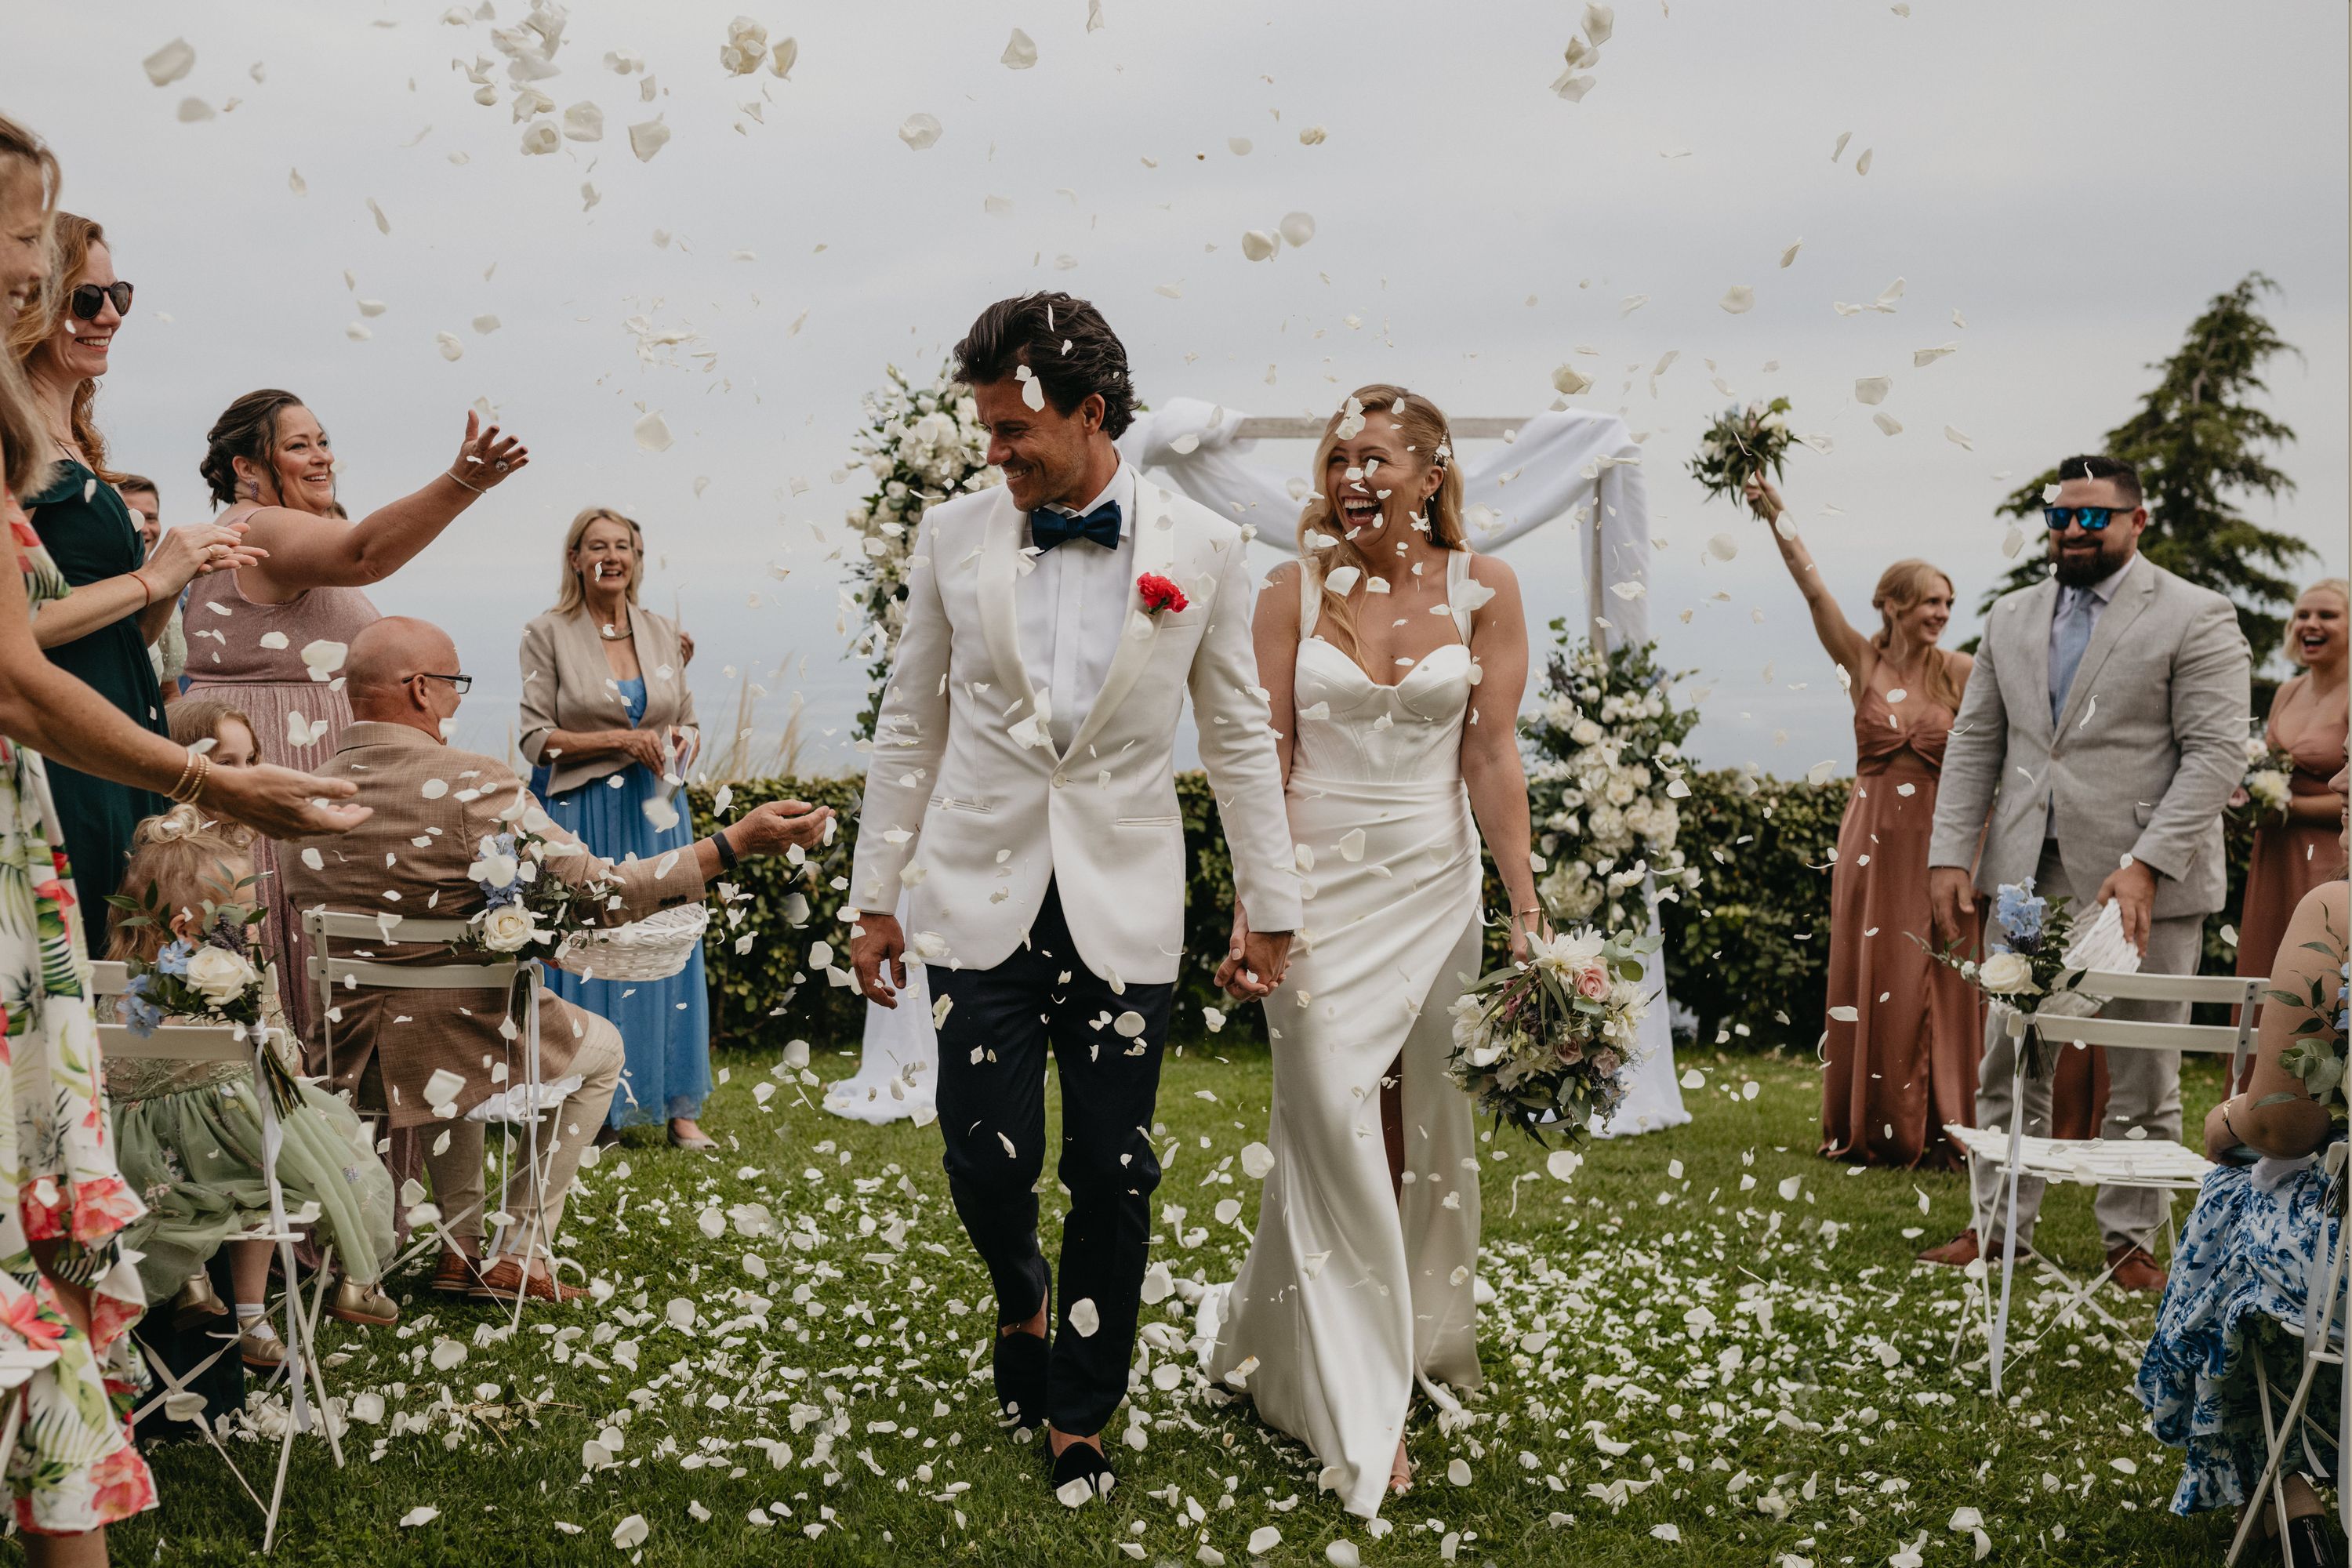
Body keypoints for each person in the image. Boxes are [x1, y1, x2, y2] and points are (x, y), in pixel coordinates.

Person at [847, 292, 1301, 1504]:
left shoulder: (1202, 549)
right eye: (988, 431)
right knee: (985, 1155)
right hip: (974, 894)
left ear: (1090, 413)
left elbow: (1242, 738)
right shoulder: (952, 537)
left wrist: (1271, 903)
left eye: (1012, 432)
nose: (993, 453)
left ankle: (1082, 1407)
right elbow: (910, 724)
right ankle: (1022, 1294)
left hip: (1125, 904)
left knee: (1113, 1166)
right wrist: (873, 894)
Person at [0, 111, 366, 1565]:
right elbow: (17, 669)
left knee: (28, 1228)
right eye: (33, 239)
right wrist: (219, 785)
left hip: (31, 824)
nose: (50, 276)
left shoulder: (29, 434)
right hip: (39, 804)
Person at [1201, 385, 1535, 1515]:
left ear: (1432, 473)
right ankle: (1361, 1397)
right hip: (1316, 894)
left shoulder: (1488, 590)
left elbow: (1491, 756)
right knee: (1328, 1116)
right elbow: (1265, 756)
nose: (1351, 477)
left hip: (1436, 887)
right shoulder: (1289, 591)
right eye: (1337, 458)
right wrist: (1258, 904)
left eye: (1376, 458)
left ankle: (1382, 1332)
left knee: (1410, 1129)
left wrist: (1525, 906)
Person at [280, 616, 829, 1305]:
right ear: (420, 690)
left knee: (448, 1039)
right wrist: (731, 845)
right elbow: (599, 891)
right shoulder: (473, 783)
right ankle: (522, 1252)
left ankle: (459, 1251)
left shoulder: (303, 794)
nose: (456, 700)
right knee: (603, 1048)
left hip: (351, 1055)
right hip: (461, 1039)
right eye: (455, 684)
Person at [1922, 454, 2251, 1293]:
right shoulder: (2010, 616)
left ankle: (2131, 1243)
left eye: (2093, 516)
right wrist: (1951, 853)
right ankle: (1998, 1229)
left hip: (2151, 886)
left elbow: (2215, 755)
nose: (2073, 529)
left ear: (2137, 521)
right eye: (2060, 515)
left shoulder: (2197, 613)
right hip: (2028, 876)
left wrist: (2146, 864)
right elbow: (1976, 744)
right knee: (2012, 1055)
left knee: (2143, 1065)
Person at [181, 387, 528, 1058]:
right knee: (299, 950)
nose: (321, 458)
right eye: (297, 445)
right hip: (279, 754)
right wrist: (463, 482)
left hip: (289, 752)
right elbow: (365, 553)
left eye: (322, 440)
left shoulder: (270, 532)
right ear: (247, 468)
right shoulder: (260, 527)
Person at [9, 215, 262, 949]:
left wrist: (170, 583)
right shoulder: (13, 436)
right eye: (87, 299)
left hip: (121, 731)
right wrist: (155, 578)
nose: (113, 315)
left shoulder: (77, 441)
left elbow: (125, 635)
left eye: (118, 293)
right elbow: (15, 625)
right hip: (59, 744)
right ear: (29, 299)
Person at [2134, 760, 2347, 1568]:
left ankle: (2290, 1495)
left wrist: (2227, 1118)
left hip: (2342, 1266)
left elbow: (2288, 1123)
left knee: (2236, 1218)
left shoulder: (2337, 909)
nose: (2340, 771)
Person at [1743, 478, 1984, 1170]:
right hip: (1874, 837)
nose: (1941, 613)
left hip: (1942, 839)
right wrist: (1778, 514)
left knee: (1940, 976)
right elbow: (1813, 591)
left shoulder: (1962, 672)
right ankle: (1876, 1125)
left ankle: (1949, 1126)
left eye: (1948, 603)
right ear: (1892, 603)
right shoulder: (1864, 662)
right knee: (1878, 969)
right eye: (1930, 601)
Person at [104, 806, 399, 1371]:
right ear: (195, 923)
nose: (253, 918)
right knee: (291, 1163)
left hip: (138, 1155)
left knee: (218, 1174)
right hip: (236, 1138)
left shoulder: (119, 979)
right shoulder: (234, 972)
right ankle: (307, 1296)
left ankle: (194, 1279)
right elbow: (279, 1055)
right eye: (243, 903)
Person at [516, 507, 710, 1147]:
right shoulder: (546, 632)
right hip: (582, 811)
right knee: (590, 950)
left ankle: (679, 1108)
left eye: (622, 545)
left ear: (637, 557)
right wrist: (620, 741)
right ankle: (590, 1108)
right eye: (596, 545)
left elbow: (686, 719)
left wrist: (683, 739)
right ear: (575, 558)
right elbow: (535, 740)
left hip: (656, 813)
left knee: (668, 942)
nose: (611, 555)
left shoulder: (662, 632)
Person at [2236, 579, 2350, 1033]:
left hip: (2328, 853)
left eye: (2326, 615)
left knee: (2315, 968)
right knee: (2265, 959)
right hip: (2275, 855)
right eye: (2303, 615)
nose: (2311, 625)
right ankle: (2249, 1087)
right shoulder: (2288, 692)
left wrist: (2289, 809)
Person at [112, 476, 183, 703]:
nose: (144, 528)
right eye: (132, 516)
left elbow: (169, 691)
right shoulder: (102, 587)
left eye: (151, 518)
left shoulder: (171, 587)